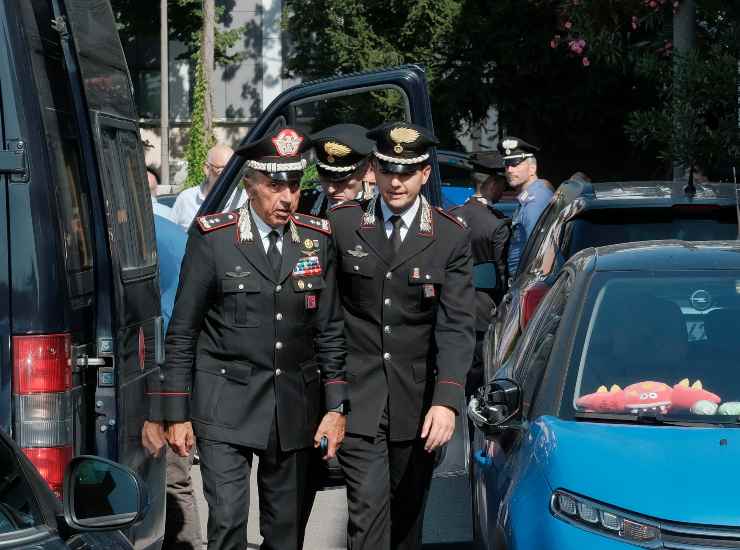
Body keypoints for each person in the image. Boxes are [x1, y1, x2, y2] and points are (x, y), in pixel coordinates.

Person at [147, 127, 348, 550]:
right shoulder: (215, 239)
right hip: (226, 404)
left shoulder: (316, 239)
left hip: (293, 405)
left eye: (294, 185)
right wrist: (176, 413)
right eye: (275, 186)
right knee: (228, 523)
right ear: (249, 185)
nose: (287, 198)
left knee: (286, 531)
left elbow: (329, 330)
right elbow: (183, 330)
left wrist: (336, 407)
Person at [328, 122, 475, 550]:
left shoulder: (449, 235)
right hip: (361, 399)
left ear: (425, 174)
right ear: (373, 169)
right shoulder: (343, 224)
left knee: (408, 522)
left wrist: (447, 400)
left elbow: (456, 325)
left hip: (417, 403)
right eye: (388, 170)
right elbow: (329, 318)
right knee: (367, 518)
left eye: (407, 172)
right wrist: (331, 396)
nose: (396, 182)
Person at [142, 213, 203, 550]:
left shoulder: (143, 236)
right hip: (173, 362)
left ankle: (186, 544)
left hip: (171, 368)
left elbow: (172, 327)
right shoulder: (155, 228)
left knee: (171, 474)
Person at [450, 150, 510, 397]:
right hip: (483, 311)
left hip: (453, 306)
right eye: (501, 185)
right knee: (479, 380)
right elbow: (502, 274)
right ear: (492, 184)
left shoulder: (451, 217)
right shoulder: (496, 224)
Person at [499, 136, 553, 277]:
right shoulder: (530, 196)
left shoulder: (535, 202)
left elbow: (538, 253)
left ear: (532, 168)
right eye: (507, 165)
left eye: (515, 163)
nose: (510, 170)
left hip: (528, 280)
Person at [298, 123, 375, 217]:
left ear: (366, 170)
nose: (330, 190)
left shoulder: (378, 211)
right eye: (325, 179)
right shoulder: (304, 204)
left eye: (341, 181)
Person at [171, 144, 234, 229]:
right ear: (207, 169)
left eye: (232, 170)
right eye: (222, 170)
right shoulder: (186, 199)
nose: (228, 176)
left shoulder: (244, 200)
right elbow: (170, 235)